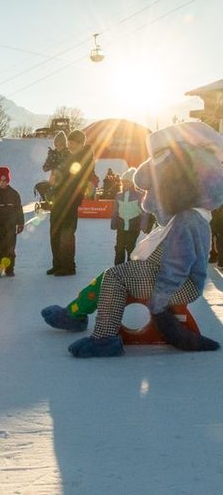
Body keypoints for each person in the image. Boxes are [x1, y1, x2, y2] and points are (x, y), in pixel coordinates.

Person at [41, 122, 223, 357]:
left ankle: (104, 338)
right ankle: (74, 313)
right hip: (163, 274)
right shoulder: (184, 216)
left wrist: (160, 299)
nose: (148, 200)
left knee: (116, 277)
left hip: (179, 285)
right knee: (111, 274)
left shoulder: (189, 219)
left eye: (154, 190)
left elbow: (180, 263)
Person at [47, 129, 94, 276]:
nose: (69, 145)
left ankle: (68, 266)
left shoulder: (84, 158)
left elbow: (75, 181)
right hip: (59, 200)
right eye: (69, 142)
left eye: (71, 142)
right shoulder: (72, 156)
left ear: (80, 143)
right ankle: (58, 264)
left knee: (66, 235)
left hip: (70, 202)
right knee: (55, 232)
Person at [0, 166, 24, 277]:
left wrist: (20, 222)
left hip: (11, 227)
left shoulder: (14, 194)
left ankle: (9, 268)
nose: (2, 183)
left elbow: (19, 209)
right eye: (0, 181)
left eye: (5, 181)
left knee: (10, 249)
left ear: (8, 181)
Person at [110, 168, 148, 265]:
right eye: (123, 181)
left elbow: (144, 212)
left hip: (133, 226)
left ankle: (129, 268)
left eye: (127, 181)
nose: (124, 183)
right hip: (121, 225)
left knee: (131, 247)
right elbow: (115, 211)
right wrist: (113, 223)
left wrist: (143, 225)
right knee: (119, 247)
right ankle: (118, 268)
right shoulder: (119, 195)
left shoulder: (139, 196)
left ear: (132, 183)